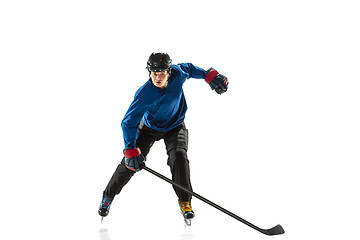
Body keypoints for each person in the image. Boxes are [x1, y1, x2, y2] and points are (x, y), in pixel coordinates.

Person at [98, 52, 228, 222]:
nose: (157, 78)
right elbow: (128, 123)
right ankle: (108, 196)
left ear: (168, 72)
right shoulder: (144, 94)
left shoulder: (178, 74)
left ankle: (185, 202)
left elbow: (188, 68)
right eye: (154, 74)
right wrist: (130, 150)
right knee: (129, 166)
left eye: (161, 74)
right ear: (149, 73)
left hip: (175, 127)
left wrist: (208, 76)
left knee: (179, 157)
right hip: (148, 129)